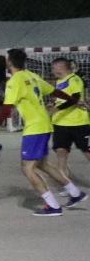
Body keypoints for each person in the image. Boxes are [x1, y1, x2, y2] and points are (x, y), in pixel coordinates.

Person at [0, 49, 77, 217]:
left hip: (34, 128)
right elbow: (53, 91)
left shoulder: (15, 80)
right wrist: (72, 99)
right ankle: (74, 192)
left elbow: (7, 108)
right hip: (44, 124)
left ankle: (53, 206)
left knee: (27, 168)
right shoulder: (32, 75)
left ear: (9, 62)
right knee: (42, 164)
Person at [47, 57, 88, 204]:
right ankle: (67, 185)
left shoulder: (74, 79)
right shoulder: (59, 83)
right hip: (60, 124)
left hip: (79, 123)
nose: (52, 71)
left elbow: (74, 99)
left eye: (53, 68)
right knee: (61, 154)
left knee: (88, 153)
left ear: (60, 67)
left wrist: (55, 109)